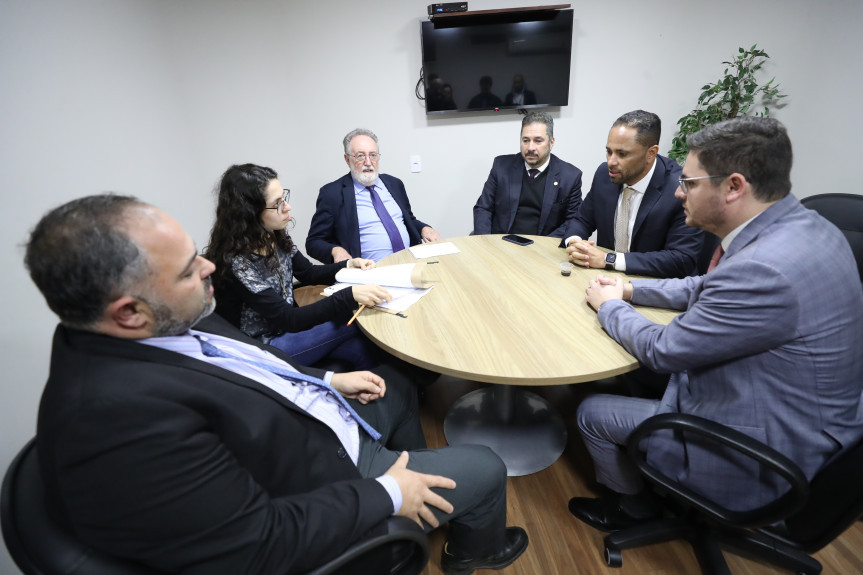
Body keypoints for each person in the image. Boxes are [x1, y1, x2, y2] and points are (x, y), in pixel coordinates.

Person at [26, 194, 529, 575]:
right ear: (128, 312)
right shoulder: (116, 421)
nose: (209, 268)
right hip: (324, 478)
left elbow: (258, 363)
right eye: (187, 270)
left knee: (392, 383)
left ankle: (425, 491)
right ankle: (471, 551)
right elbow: (255, 543)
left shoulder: (167, 316)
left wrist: (330, 378)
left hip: (317, 421)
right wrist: (385, 494)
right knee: (487, 465)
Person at [567, 117, 863, 533]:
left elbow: (664, 350)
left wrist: (610, 306)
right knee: (632, 377)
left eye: (689, 183)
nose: (677, 191)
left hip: (767, 453)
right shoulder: (807, 227)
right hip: (812, 415)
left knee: (591, 411)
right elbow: (706, 285)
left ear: (734, 186)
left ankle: (633, 508)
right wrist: (631, 289)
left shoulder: (764, 270)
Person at [204, 163, 389, 369]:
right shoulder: (237, 263)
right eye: (277, 203)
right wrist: (349, 295)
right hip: (262, 350)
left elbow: (308, 273)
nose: (287, 207)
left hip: (285, 333)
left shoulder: (272, 234)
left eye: (284, 198)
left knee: (360, 349)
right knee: (353, 320)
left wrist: (349, 264)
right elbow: (289, 318)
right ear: (250, 213)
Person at [562, 110, 704, 278]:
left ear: (651, 153)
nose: (611, 162)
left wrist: (609, 259)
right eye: (609, 151)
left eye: (622, 154)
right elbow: (582, 220)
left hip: (654, 288)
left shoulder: (680, 190)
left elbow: (681, 259)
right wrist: (575, 242)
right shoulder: (604, 175)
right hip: (604, 282)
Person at [307, 128, 441, 263]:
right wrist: (335, 250)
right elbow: (313, 242)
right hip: (369, 273)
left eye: (373, 155)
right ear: (347, 160)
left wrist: (424, 228)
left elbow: (408, 220)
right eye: (360, 156)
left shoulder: (394, 184)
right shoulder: (332, 194)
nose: (368, 162)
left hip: (410, 264)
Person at [473, 111, 583, 238]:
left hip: (542, 249)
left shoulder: (570, 176)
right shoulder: (501, 166)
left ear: (551, 143)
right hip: (502, 244)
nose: (530, 147)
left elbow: (573, 221)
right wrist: (486, 242)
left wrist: (543, 247)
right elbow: (483, 208)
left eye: (538, 141)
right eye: (526, 140)